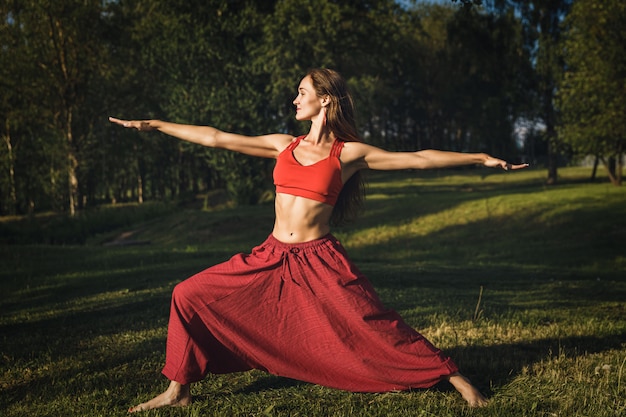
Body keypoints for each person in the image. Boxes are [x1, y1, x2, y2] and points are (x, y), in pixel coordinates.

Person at [109, 68, 527, 413]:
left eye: (302, 92)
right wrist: (157, 125)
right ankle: (178, 390)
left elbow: (419, 159)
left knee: (372, 322)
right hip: (270, 255)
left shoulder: (347, 154)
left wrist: (480, 158)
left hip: (319, 259)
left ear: (324, 99)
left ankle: (456, 379)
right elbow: (216, 137)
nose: (295, 99)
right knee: (187, 294)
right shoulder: (282, 145)